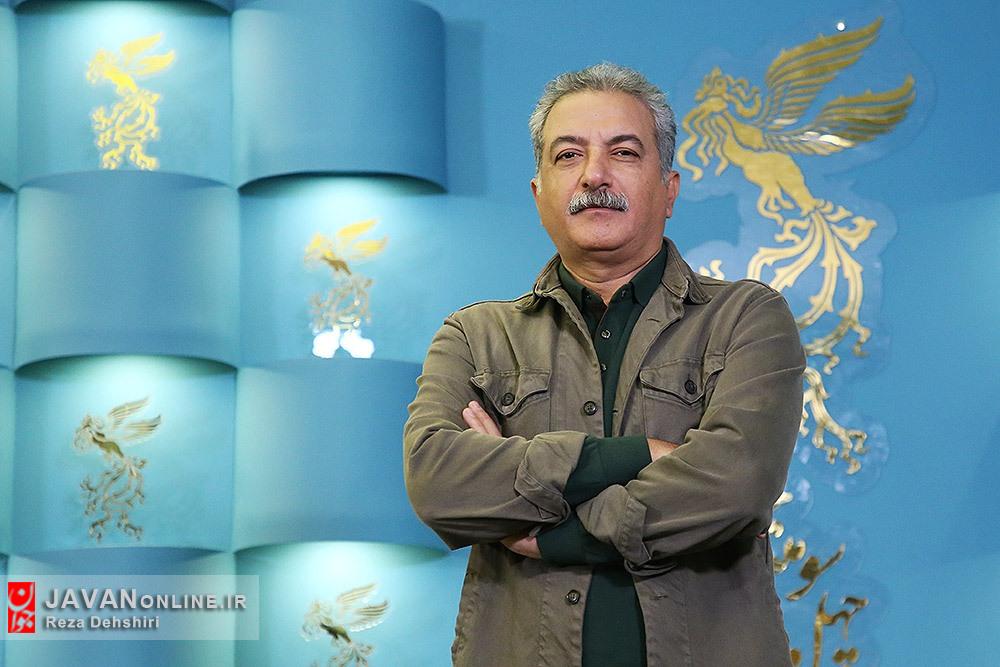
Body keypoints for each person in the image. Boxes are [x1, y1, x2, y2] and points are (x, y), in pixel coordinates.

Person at [403, 63, 805, 667]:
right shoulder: (476, 337)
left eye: (623, 152)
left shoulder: (746, 317)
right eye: (568, 155)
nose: (594, 175)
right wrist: (639, 454)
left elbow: (737, 485)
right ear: (539, 194)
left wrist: (556, 533)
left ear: (669, 190)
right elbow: (437, 483)